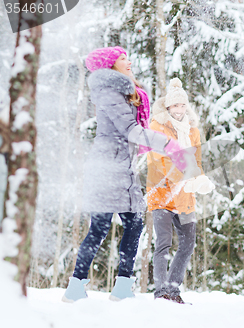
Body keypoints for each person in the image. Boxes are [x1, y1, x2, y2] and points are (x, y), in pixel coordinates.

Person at [62, 47, 194, 303]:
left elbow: (136, 133)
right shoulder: (110, 92)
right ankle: (84, 286)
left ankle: (114, 286)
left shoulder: (125, 92)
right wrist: (169, 146)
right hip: (108, 167)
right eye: (122, 58)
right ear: (110, 66)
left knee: (128, 224)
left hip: (121, 167)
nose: (128, 61)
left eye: (127, 57)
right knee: (107, 227)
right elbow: (131, 130)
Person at [147, 78, 214, 304]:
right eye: (175, 106)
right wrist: (184, 180)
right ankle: (160, 292)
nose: (179, 109)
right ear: (167, 107)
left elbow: (196, 160)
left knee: (187, 243)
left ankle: (173, 290)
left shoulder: (192, 131)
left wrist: (200, 180)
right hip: (163, 195)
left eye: (183, 105)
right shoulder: (157, 127)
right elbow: (160, 161)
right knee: (164, 242)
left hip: (185, 199)